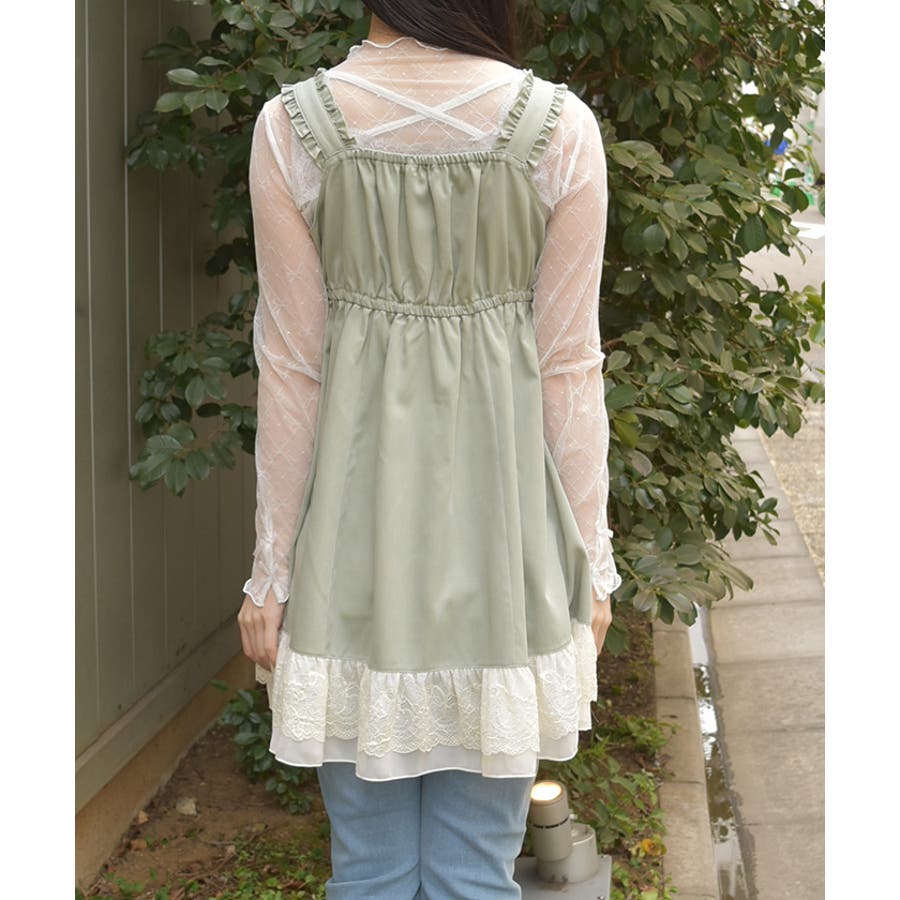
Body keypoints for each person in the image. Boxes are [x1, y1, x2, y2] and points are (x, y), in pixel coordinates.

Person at [237, 2, 621, 897]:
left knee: (368, 870)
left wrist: (272, 573)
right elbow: (570, 369)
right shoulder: (559, 129)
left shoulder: (293, 127)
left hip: (352, 554)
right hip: (505, 558)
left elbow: (292, 369)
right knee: (475, 871)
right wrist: (590, 564)